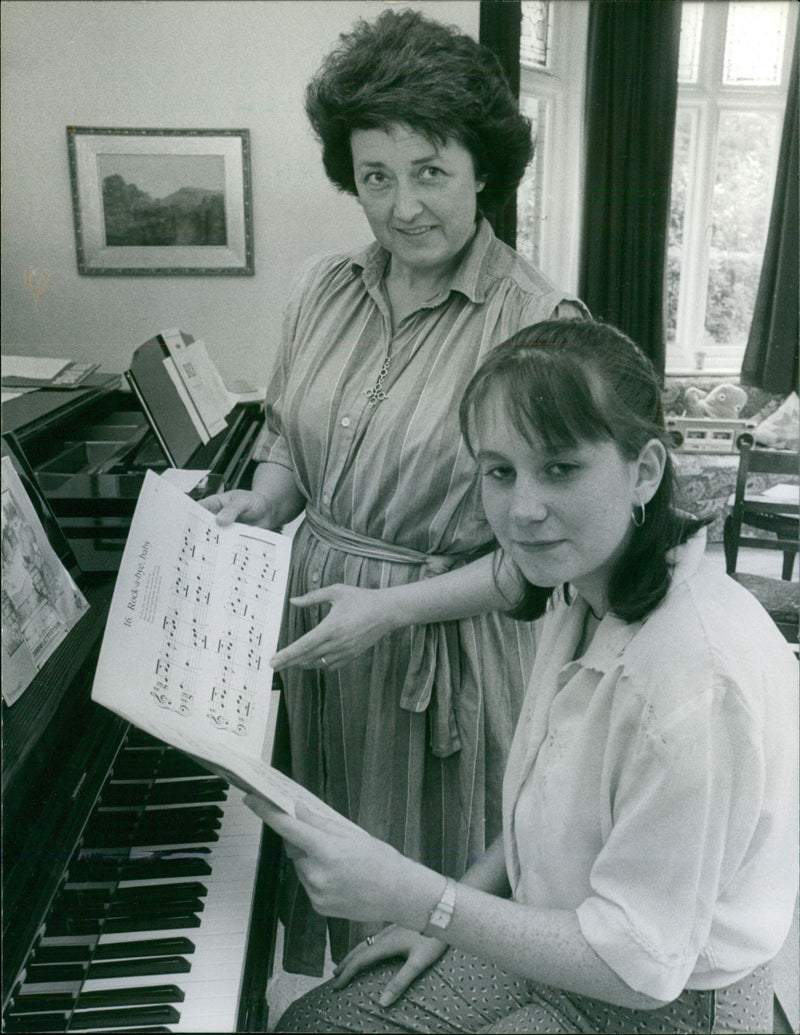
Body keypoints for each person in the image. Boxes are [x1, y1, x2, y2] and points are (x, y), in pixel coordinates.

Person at [245, 319, 799, 1035]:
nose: (523, 510)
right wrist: (443, 919)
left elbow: (643, 963)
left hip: (672, 1001)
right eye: (500, 471)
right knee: (316, 1022)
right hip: (570, 934)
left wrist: (426, 899)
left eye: (560, 468)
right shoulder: (588, 583)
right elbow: (553, 810)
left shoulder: (693, 682)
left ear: (646, 471)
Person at [201, 9, 586, 973]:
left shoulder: (536, 322)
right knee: (338, 889)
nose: (403, 204)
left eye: (430, 172)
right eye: (376, 176)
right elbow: (290, 435)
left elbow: (545, 556)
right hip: (324, 646)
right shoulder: (320, 287)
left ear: (483, 170)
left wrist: (388, 609)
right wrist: (266, 501)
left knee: (435, 920)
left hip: (444, 663)